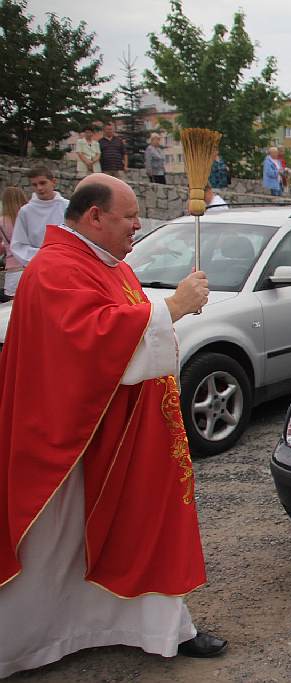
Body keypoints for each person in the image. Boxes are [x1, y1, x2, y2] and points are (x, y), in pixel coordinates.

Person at [0, 173, 226, 677]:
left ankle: (161, 627)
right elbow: (88, 343)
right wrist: (171, 307)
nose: (138, 225)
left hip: (119, 433)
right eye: (129, 216)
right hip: (68, 445)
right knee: (55, 543)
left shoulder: (107, 265)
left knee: (141, 524)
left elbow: (129, 325)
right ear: (94, 216)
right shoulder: (54, 269)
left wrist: (164, 314)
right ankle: (30, 640)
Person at [8, 165, 70, 297]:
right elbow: (18, 244)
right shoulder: (26, 211)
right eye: (34, 185)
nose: (39, 188)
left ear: (53, 182)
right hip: (39, 269)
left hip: (67, 267)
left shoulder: (68, 207)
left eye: (42, 183)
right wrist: (44, 256)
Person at [0, 187, 28, 303]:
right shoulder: (28, 218)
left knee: (11, 311)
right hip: (32, 268)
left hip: (13, 271)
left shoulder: (1, 222)